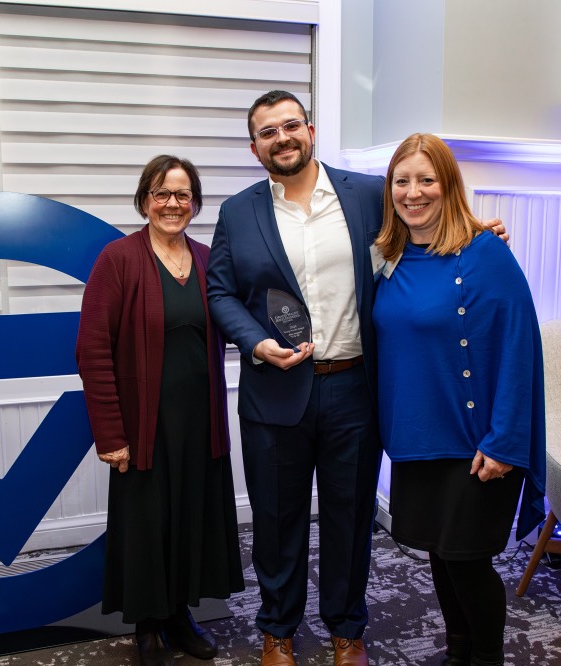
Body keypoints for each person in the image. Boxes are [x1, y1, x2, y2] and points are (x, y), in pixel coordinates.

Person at [206, 89, 385, 666]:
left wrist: (479, 230)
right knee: (277, 520)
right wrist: (253, 340)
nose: (281, 138)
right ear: (254, 147)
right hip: (274, 391)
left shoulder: (369, 196)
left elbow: (427, 235)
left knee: (349, 517)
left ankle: (346, 630)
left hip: (354, 388)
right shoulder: (239, 211)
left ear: (310, 130)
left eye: (290, 126)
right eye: (267, 132)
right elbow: (220, 291)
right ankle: (278, 630)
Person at [372, 133, 546, 666]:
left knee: (467, 561)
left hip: (476, 445)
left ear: (449, 186)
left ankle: (486, 657)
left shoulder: (485, 252)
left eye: (427, 180)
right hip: (418, 440)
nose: (413, 192)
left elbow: (521, 350)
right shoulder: (388, 254)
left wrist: (504, 442)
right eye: (403, 181)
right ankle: (458, 652)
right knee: (440, 558)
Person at [75, 155, 244, 666]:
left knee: (189, 521)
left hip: (200, 423)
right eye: (161, 193)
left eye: (183, 194)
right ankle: (147, 629)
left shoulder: (207, 259)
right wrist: (110, 434)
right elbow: (92, 349)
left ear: (194, 202)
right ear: (145, 199)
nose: (172, 203)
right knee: (148, 527)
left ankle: (179, 618)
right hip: (144, 427)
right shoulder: (119, 259)